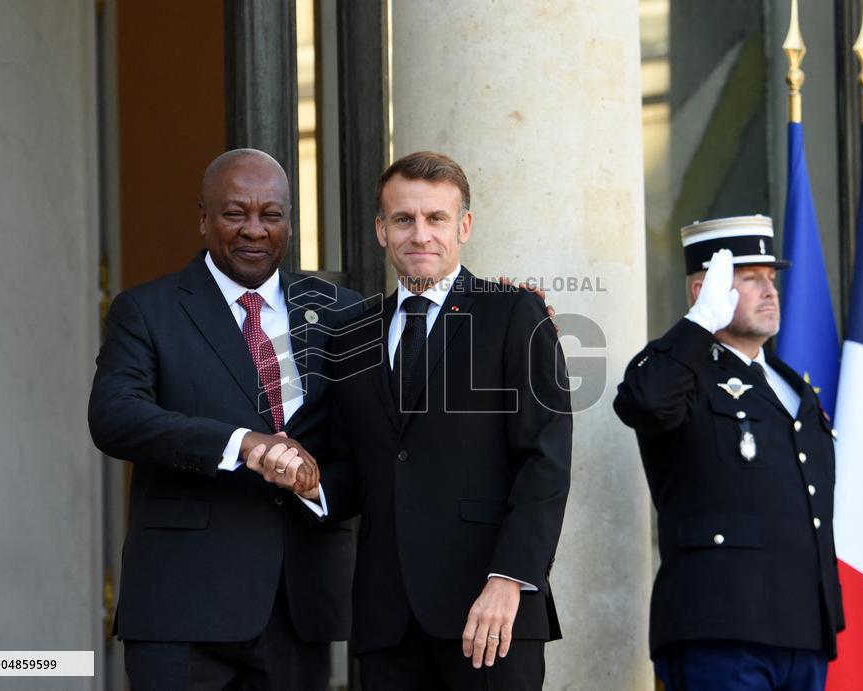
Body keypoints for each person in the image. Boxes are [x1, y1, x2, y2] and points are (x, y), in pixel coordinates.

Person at [252, 151, 573, 690]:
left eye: (436, 219)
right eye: (403, 219)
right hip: (386, 621)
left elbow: (545, 461)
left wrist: (510, 581)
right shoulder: (351, 333)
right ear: (381, 230)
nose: (419, 234)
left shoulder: (515, 314)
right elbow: (355, 463)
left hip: (489, 613)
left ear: (464, 226)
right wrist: (313, 486)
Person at [88, 149, 364, 690]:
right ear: (204, 219)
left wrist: (513, 319)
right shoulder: (147, 309)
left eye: (271, 215)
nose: (254, 231)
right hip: (180, 609)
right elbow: (115, 416)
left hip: (298, 607)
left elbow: (382, 437)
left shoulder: (340, 312)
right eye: (235, 213)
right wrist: (242, 445)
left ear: (290, 221)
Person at [613, 216, 844, 691]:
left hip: (802, 629)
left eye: (771, 278)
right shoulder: (683, 374)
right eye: (749, 278)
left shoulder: (793, 387)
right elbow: (645, 401)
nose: (769, 291)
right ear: (704, 290)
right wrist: (699, 324)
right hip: (720, 626)